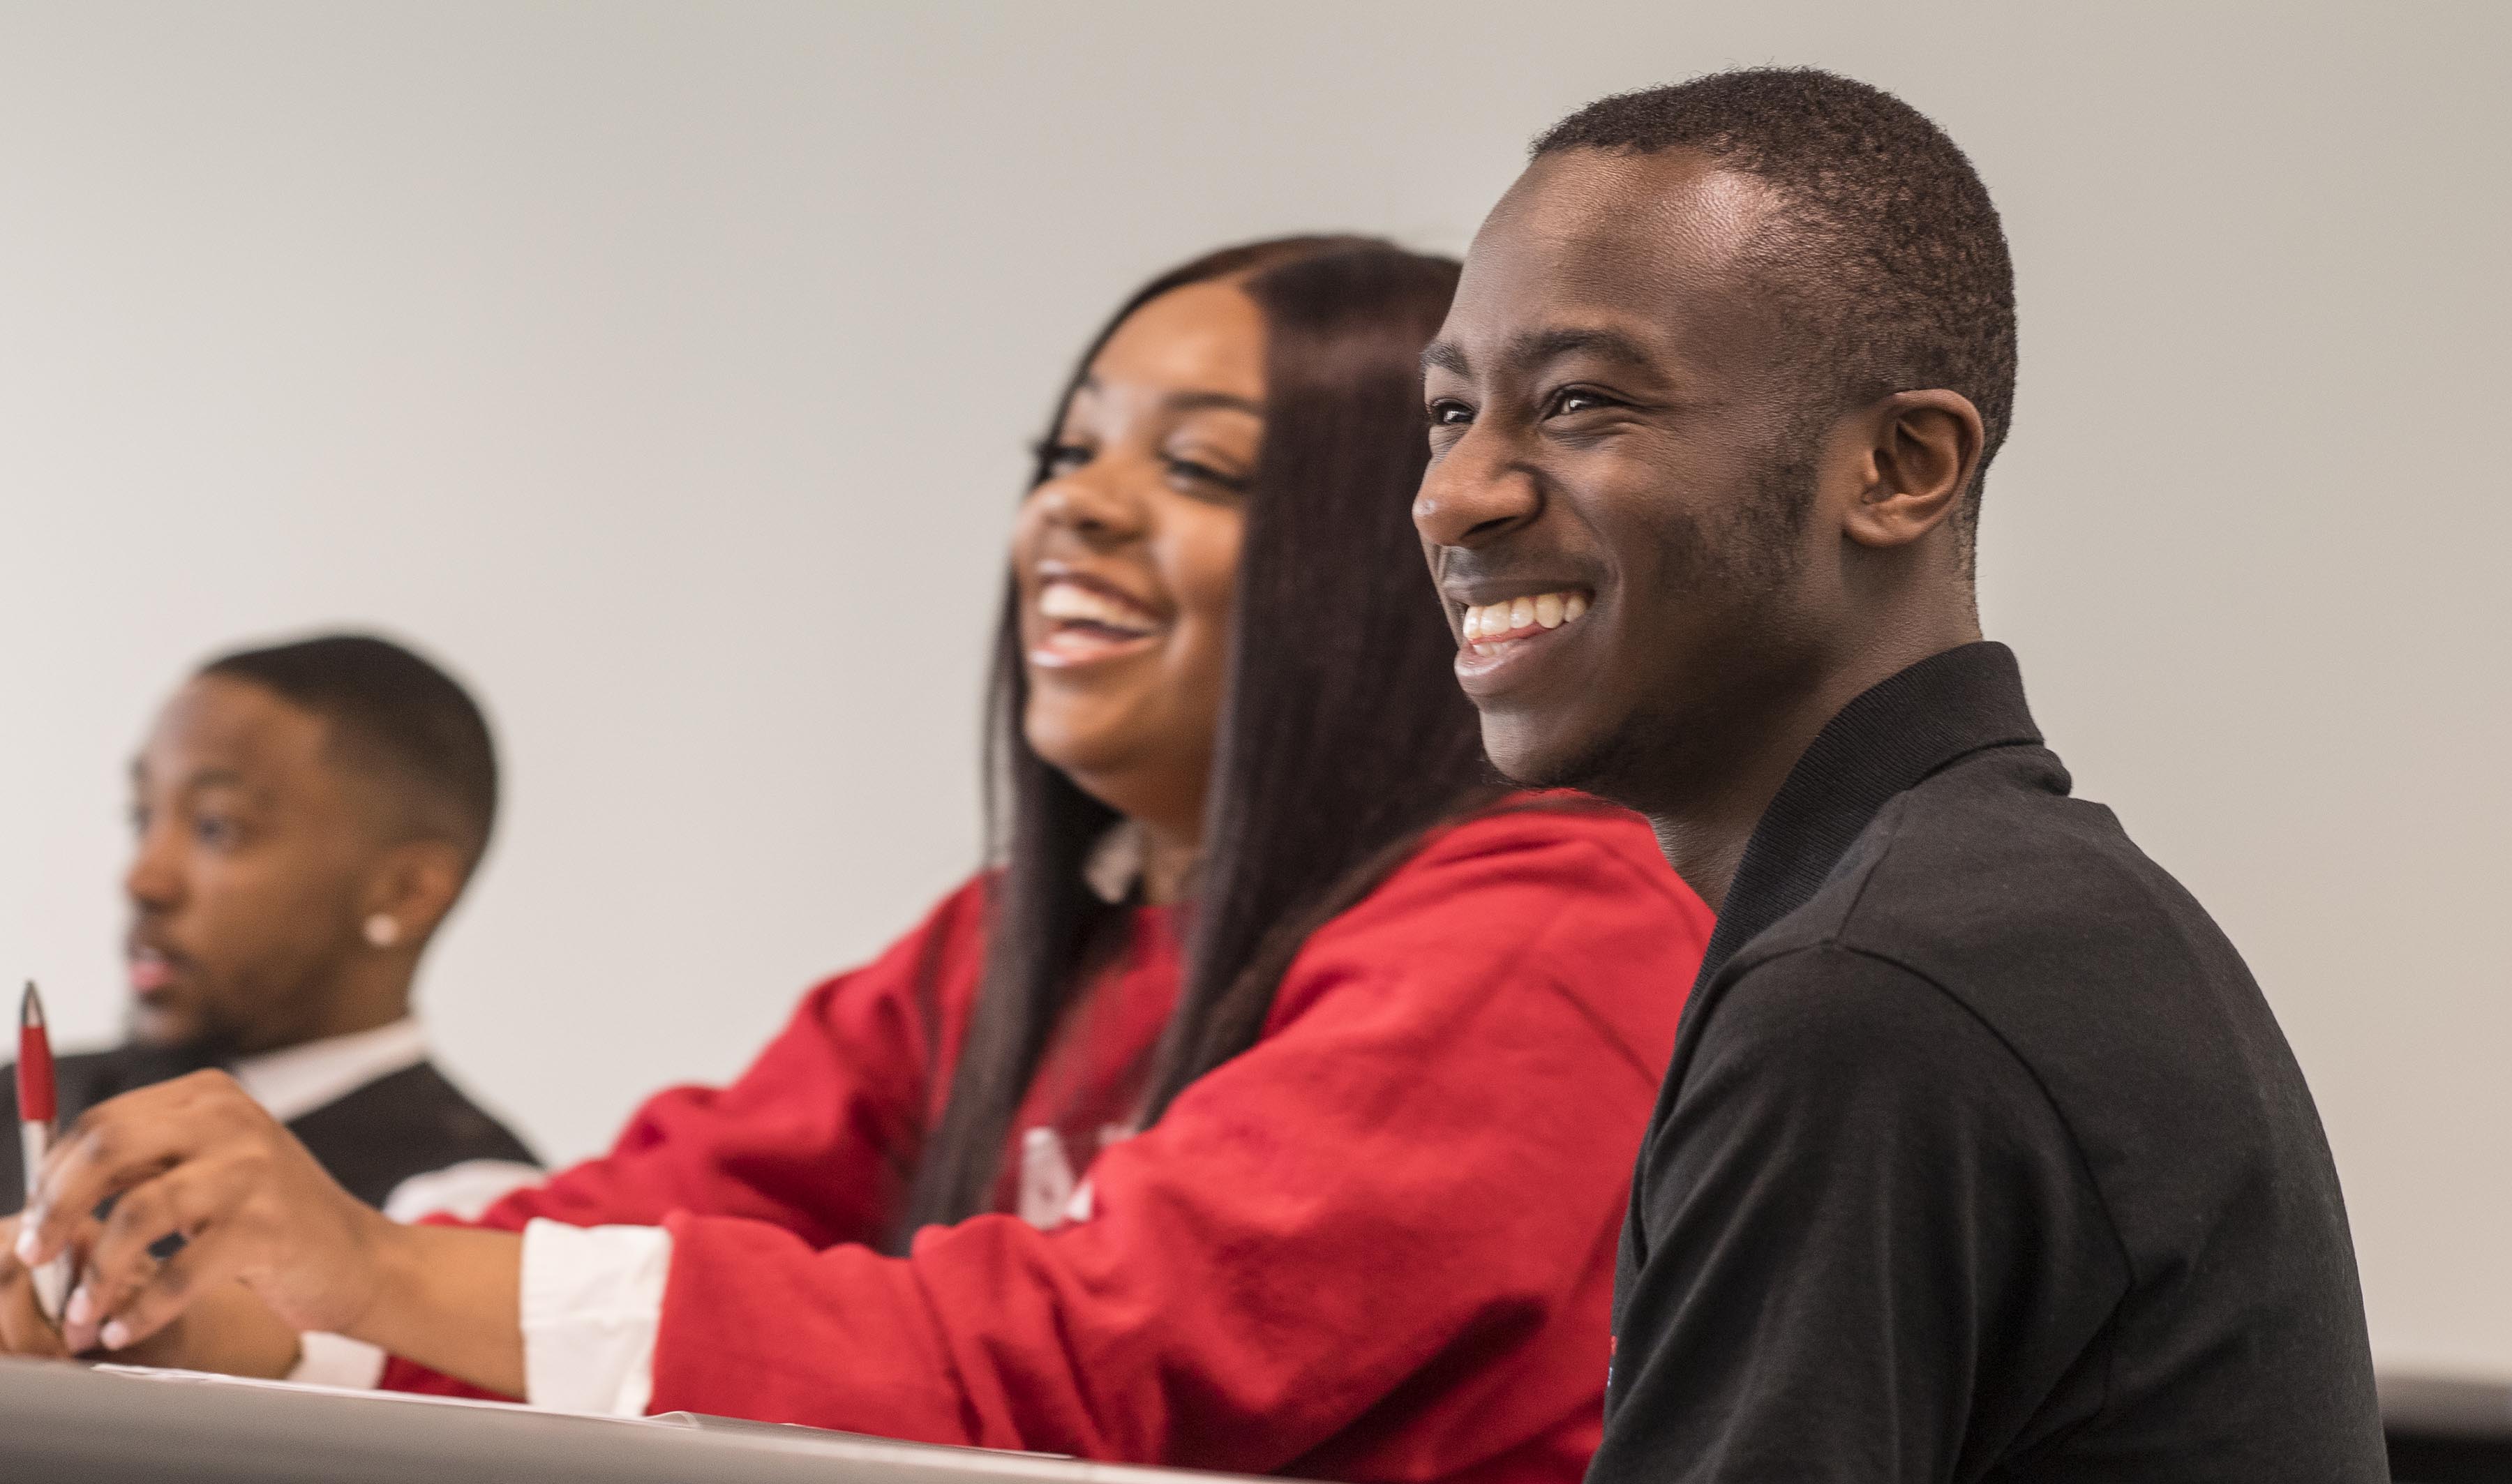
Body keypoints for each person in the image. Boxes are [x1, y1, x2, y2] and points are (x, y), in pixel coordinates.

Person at [5, 237, 1714, 1484]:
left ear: (1391, 552)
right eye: (1066, 452)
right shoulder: (1005, 941)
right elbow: (653, 1211)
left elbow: (1095, 1355)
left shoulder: (1548, 925)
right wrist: (213, 1318)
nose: (1078, 508)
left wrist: (368, 1272)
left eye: (1191, 465)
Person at [1410, 68, 2385, 1480]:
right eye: (1451, 414)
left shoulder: (1874, 990)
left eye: (1576, 402)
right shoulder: (1988, 911)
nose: (1457, 494)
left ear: (1900, 466)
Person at [2, 636, 537, 1223]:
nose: (144, 879)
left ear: (405, 892)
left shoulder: (472, 1206)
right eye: (142, 815)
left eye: (217, 828)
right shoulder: (28, 1100)